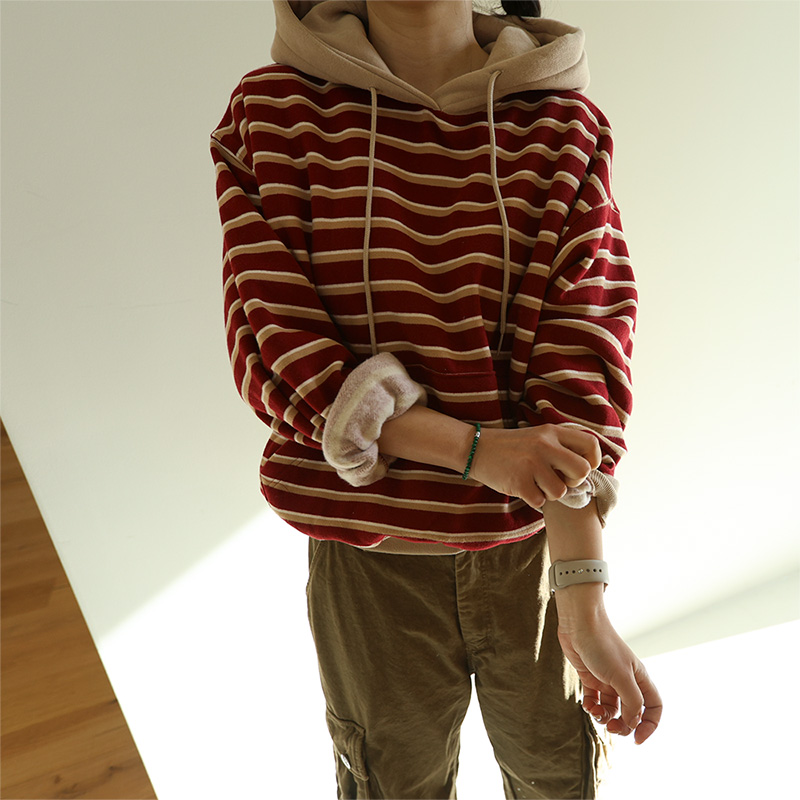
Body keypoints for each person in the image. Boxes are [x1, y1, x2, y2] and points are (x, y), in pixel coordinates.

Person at [211, 0, 663, 797]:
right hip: (367, 558)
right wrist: (477, 451)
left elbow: (583, 356)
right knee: (394, 784)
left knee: (559, 775)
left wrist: (583, 592)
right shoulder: (272, 112)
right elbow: (273, 345)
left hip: (529, 546)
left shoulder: (563, 125)